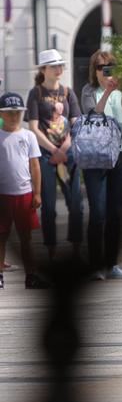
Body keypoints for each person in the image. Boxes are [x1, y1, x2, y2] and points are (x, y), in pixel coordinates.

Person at [25, 49, 84, 267]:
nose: (58, 69)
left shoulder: (68, 92)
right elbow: (32, 127)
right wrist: (53, 149)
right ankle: (52, 252)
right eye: (53, 66)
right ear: (43, 69)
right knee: (49, 206)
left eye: (60, 65)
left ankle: (77, 250)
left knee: (76, 203)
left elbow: (75, 122)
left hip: (68, 153)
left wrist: (65, 147)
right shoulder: (36, 93)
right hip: (45, 155)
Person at [80, 50, 122, 281]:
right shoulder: (89, 90)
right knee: (98, 213)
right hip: (96, 156)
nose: (107, 72)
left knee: (114, 212)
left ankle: (112, 264)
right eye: (103, 68)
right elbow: (92, 115)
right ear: (95, 71)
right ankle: (94, 266)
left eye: (111, 66)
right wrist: (108, 92)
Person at [0, 92, 46, 290]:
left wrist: (37, 192)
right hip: (3, 194)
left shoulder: (28, 135)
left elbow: (35, 165)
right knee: (1, 235)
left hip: (24, 192)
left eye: (18, 112)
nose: (14, 116)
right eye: (9, 112)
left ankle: (31, 274)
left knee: (26, 236)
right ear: (1, 114)